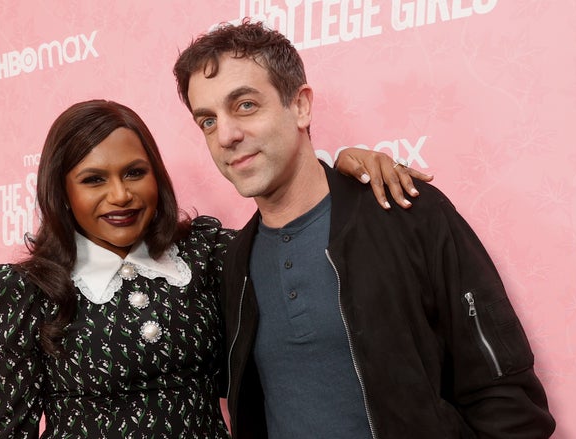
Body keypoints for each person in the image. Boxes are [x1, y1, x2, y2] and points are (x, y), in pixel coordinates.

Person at [173, 19, 556, 438]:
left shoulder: (405, 211)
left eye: (245, 105)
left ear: (300, 106)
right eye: (207, 121)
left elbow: (506, 397)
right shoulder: (235, 262)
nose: (226, 135)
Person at [0, 100, 424, 437]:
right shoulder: (25, 291)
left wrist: (341, 173)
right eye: (94, 179)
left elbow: (287, 231)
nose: (120, 195)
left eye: (134, 173)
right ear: (61, 192)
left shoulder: (203, 254)